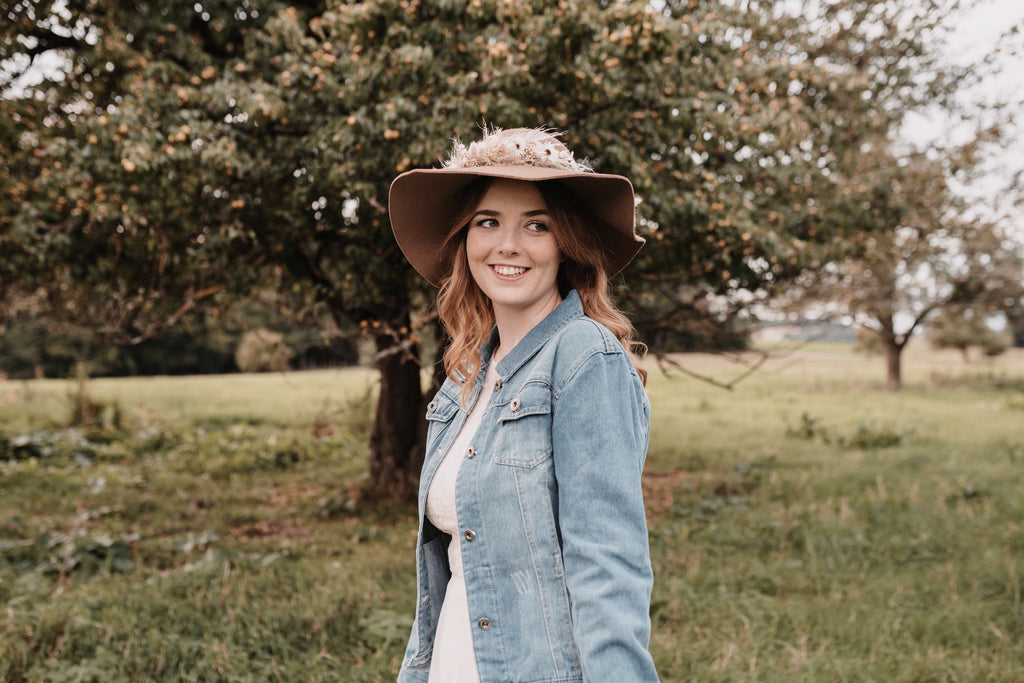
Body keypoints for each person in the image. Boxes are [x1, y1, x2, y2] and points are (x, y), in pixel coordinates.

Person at [388, 126, 659, 682]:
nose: (507, 245)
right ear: (466, 239)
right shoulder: (467, 373)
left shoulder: (585, 358)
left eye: (537, 225)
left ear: (567, 244)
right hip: (455, 658)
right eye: (488, 222)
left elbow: (608, 564)